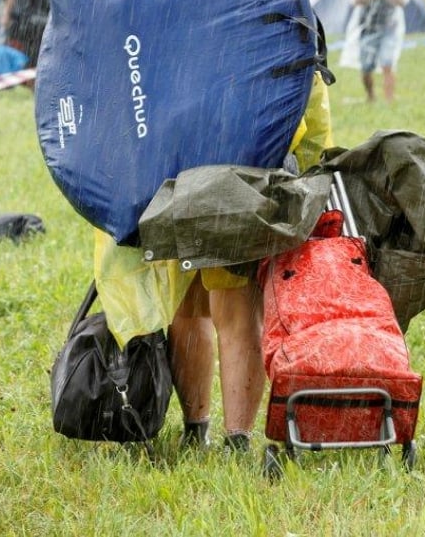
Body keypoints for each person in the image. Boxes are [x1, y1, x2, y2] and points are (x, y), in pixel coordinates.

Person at [95, 72, 333, 452]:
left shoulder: (171, 18)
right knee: (231, 314)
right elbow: (311, 106)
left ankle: (199, 431)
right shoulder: (275, 18)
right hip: (242, 174)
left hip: (175, 170)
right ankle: (231, 438)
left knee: (192, 310)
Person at [349, 0, 409, 103]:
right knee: (366, 65)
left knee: (388, 62)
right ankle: (370, 97)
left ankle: (389, 99)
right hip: (368, 25)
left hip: (390, 25)